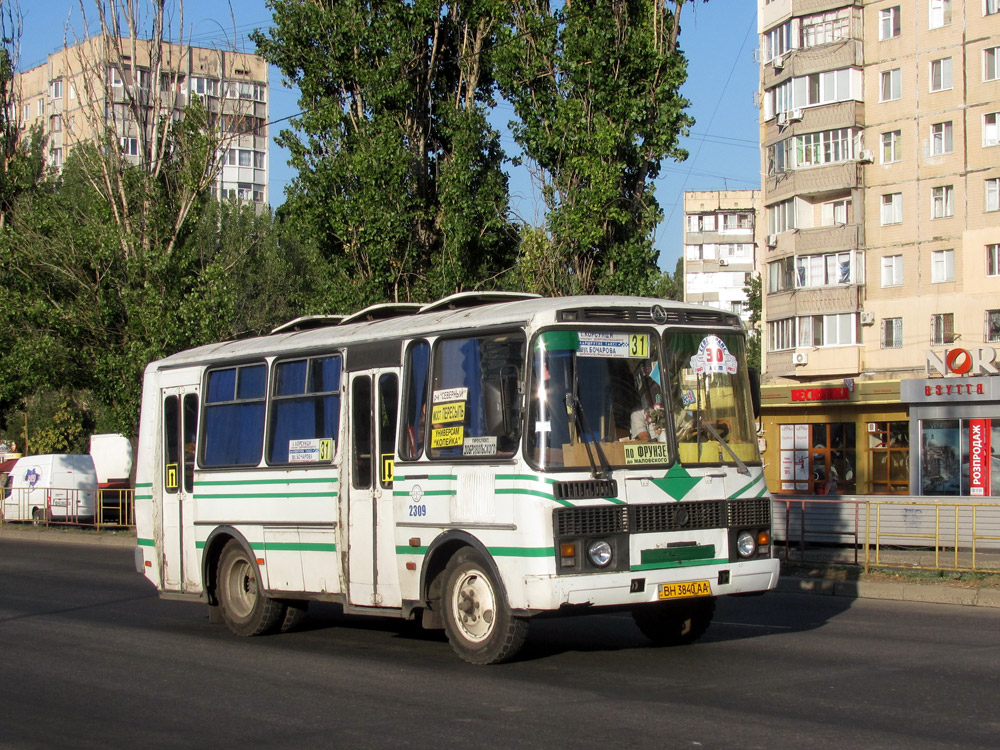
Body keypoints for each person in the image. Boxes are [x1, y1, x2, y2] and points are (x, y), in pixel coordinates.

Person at [630, 361, 664, 441]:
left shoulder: (671, 409)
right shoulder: (638, 415)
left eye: (656, 388)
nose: (654, 392)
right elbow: (644, 439)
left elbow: (689, 424)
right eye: (650, 390)